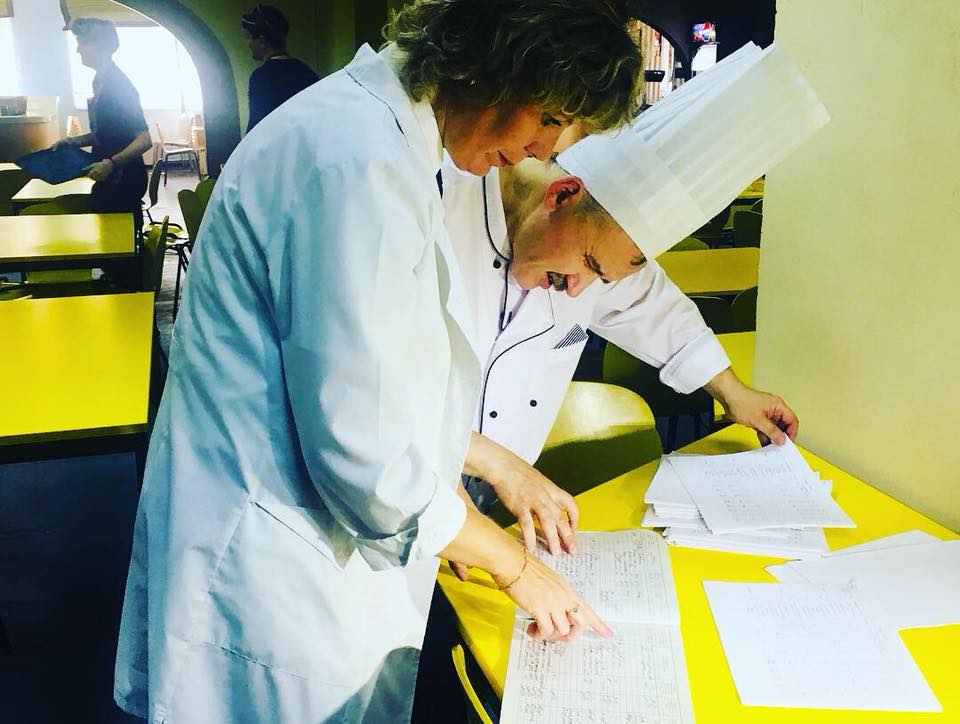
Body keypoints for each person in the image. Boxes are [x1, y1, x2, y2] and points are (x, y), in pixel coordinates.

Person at [113, 1, 643, 722]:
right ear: (492, 63)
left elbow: (377, 374)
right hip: (270, 560)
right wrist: (515, 565)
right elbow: (368, 456)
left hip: (293, 538)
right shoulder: (356, 161)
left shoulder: (383, 137)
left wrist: (492, 462)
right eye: (548, 118)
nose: (539, 150)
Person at [439, 41, 828, 557]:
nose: (579, 289)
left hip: (497, 505)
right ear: (563, 195)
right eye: (588, 263)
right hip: (407, 484)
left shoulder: (594, 253)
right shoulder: (440, 201)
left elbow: (659, 311)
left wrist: (734, 393)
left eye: (603, 278)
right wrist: (450, 491)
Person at [52, 18, 152, 232]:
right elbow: (104, 133)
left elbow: (144, 140)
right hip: (108, 177)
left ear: (99, 46)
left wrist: (110, 164)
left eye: (82, 43)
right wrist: (72, 142)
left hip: (123, 180)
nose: (78, 49)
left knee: (120, 245)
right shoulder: (99, 81)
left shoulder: (119, 85)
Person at [241, 4, 319, 132]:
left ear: (262, 42)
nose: (247, 43)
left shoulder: (261, 77)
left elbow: (256, 130)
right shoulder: (307, 72)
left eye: (248, 37)